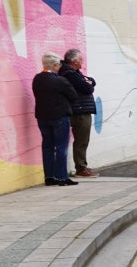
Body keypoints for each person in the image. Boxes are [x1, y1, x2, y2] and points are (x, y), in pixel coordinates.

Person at [32, 52, 79, 186]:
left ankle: (49, 177)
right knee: (61, 147)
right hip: (59, 116)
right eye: (58, 65)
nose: (60, 67)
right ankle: (62, 177)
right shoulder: (60, 80)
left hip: (42, 117)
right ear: (54, 66)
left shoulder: (37, 79)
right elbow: (73, 95)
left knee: (47, 146)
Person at [59, 49, 98, 177]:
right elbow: (87, 88)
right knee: (82, 140)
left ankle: (81, 166)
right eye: (80, 59)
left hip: (80, 109)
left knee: (81, 140)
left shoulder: (73, 72)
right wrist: (88, 83)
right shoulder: (70, 73)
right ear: (74, 61)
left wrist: (88, 81)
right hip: (80, 110)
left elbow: (91, 81)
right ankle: (81, 168)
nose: (82, 62)